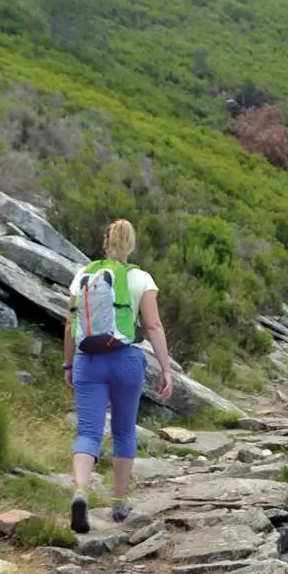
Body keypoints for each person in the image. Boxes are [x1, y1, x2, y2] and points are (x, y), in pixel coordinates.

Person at [63, 218, 173, 533]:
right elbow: (152, 325)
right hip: (126, 361)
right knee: (124, 430)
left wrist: (68, 364)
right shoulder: (141, 278)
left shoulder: (84, 274)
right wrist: (166, 368)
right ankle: (120, 502)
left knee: (88, 431)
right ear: (132, 244)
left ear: (106, 241)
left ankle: (80, 491)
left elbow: (70, 324)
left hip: (88, 360)